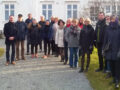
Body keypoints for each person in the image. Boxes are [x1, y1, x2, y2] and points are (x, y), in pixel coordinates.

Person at [103, 15, 120, 88]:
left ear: (117, 20)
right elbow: (105, 40)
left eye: (114, 19)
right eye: (111, 19)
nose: (112, 20)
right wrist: (103, 49)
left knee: (117, 66)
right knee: (112, 66)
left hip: (117, 50)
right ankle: (113, 78)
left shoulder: (119, 28)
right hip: (109, 51)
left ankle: (117, 80)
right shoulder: (108, 29)